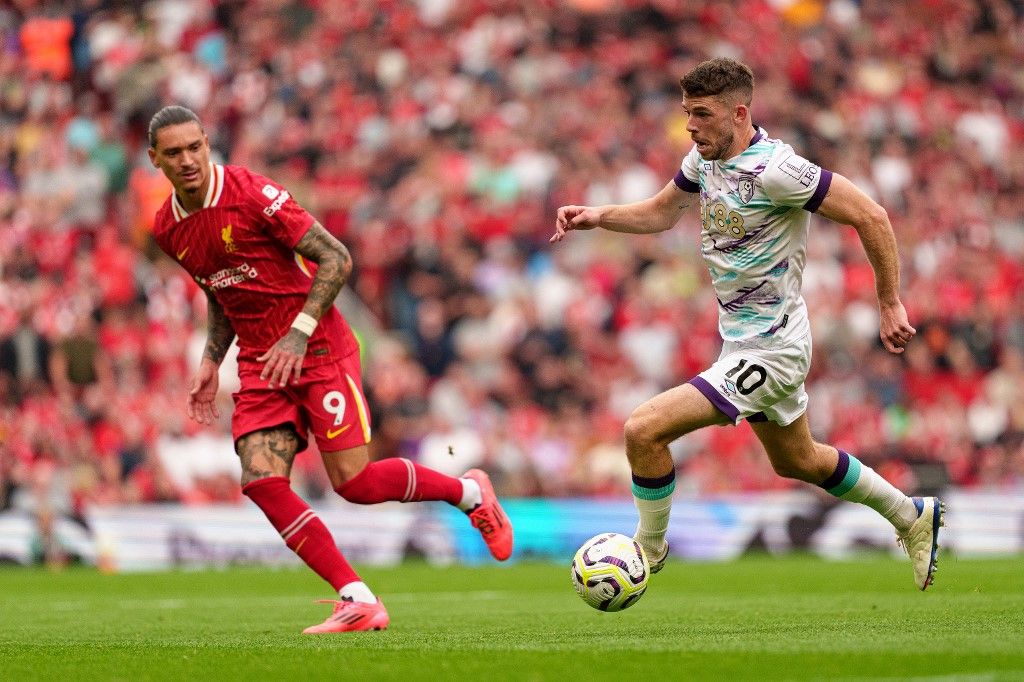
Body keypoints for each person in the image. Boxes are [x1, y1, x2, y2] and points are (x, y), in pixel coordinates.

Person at [551, 58, 942, 591]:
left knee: (643, 429)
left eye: (702, 114)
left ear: (738, 113)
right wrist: (598, 215)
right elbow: (662, 213)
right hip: (741, 343)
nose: (690, 125)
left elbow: (870, 214)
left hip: (772, 349)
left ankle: (647, 549)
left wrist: (889, 302)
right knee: (798, 460)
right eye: (687, 112)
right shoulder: (704, 159)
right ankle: (910, 515)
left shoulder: (778, 170)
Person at [147, 105, 513, 633]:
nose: (187, 160)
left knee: (355, 483)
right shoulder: (167, 228)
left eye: (195, 147)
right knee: (260, 480)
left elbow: (336, 258)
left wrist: (298, 332)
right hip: (260, 363)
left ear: (207, 143)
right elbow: (219, 287)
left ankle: (471, 494)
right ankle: (357, 597)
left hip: (317, 348)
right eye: (174, 152)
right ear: (154, 158)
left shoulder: (251, 194)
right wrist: (210, 359)